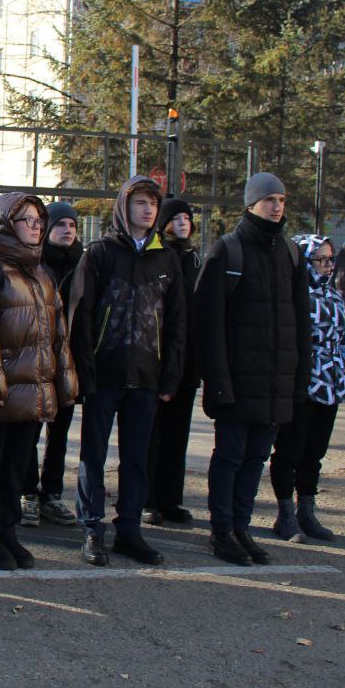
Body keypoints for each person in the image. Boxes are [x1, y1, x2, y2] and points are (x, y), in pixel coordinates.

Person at [195, 172, 310, 566]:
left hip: (277, 384)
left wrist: (300, 380)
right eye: (269, 199)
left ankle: (241, 527)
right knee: (229, 458)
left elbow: (301, 324)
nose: (277, 206)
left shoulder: (291, 254)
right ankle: (221, 531)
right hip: (238, 382)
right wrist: (218, 383)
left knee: (255, 460)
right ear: (250, 203)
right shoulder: (227, 252)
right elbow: (208, 326)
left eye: (281, 199)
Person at [69, 176, 185, 567]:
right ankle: (92, 530)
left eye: (152, 203)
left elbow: (177, 324)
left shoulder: (166, 258)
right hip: (104, 376)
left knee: (137, 458)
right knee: (93, 456)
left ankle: (130, 530)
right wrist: (84, 374)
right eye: (139, 202)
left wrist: (169, 378)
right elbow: (80, 318)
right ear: (124, 206)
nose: (148, 210)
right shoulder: (101, 253)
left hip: (147, 379)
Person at [0, 193, 77, 570]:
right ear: (5, 226)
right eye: (27, 220)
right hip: (0, 397)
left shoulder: (42, 275)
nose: (37, 226)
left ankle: (8, 531)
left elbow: (58, 335)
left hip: (32, 394)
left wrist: (63, 383)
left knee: (15, 470)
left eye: (38, 220)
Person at [270, 234, 345, 543]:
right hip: (301, 383)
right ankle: (285, 513)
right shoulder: (293, 295)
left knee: (314, 452)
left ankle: (307, 509)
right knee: (290, 450)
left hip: (330, 384)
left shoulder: (334, 295)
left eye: (331, 259)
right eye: (321, 259)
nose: (328, 265)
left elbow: (342, 338)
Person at [22, 200, 83, 528]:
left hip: (68, 363)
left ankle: (52, 494)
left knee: (59, 435)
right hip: (35, 363)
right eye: (61, 225)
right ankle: (28, 492)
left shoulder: (84, 265)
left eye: (72, 226)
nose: (68, 231)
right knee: (30, 432)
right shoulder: (34, 264)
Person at [143, 197, 202, 526]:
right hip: (158, 357)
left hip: (187, 360)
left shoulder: (194, 258)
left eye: (187, 218)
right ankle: (148, 498)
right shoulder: (157, 256)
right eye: (176, 218)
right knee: (153, 433)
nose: (182, 223)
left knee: (178, 434)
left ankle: (170, 499)